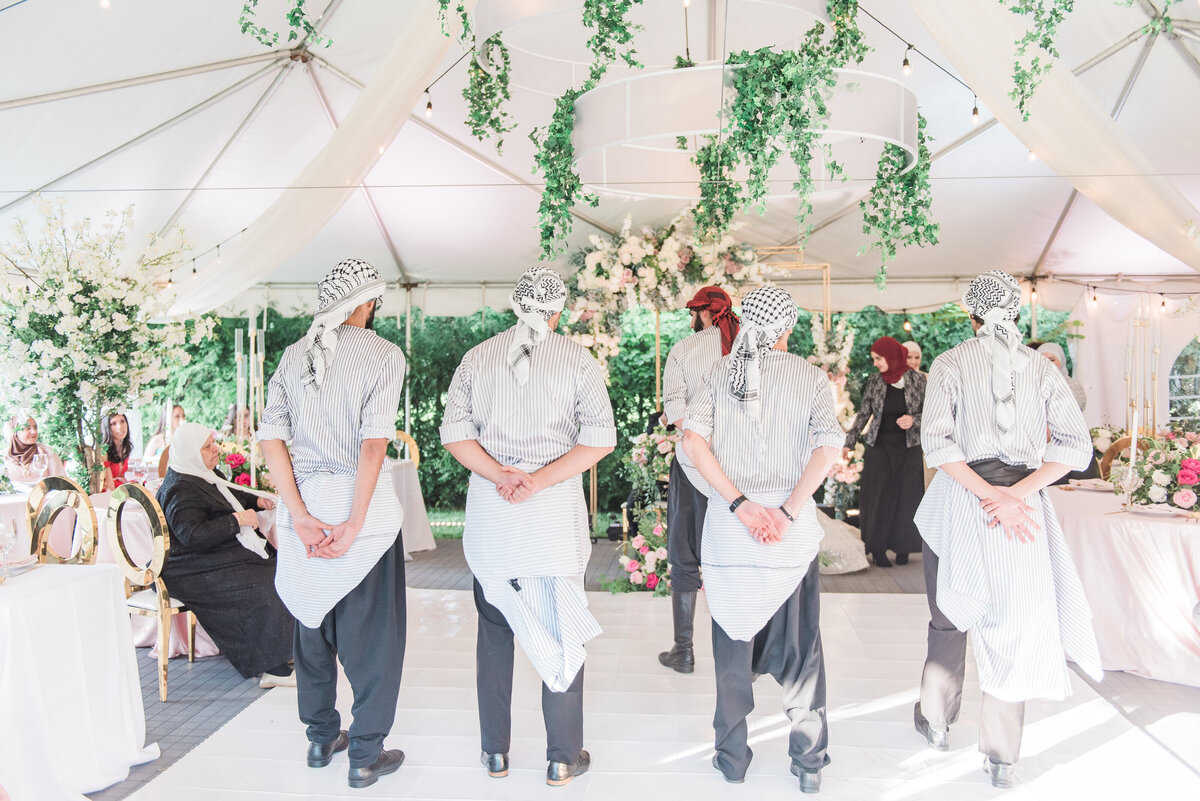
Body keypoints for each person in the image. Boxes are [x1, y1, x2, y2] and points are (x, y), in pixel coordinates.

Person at [913, 270, 1101, 789]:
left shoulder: (950, 363)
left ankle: (935, 721)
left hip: (960, 499)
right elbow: (1074, 450)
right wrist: (1015, 496)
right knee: (1014, 627)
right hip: (1023, 507)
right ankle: (1001, 757)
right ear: (1015, 312)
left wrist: (989, 495)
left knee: (949, 616)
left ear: (970, 315)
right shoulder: (1042, 369)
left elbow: (938, 445)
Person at [441, 267, 615, 787]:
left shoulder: (477, 358)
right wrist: (537, 481)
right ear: (558, 311)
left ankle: (495, 752)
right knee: (560, 627)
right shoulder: (578, 360)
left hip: (495, 513)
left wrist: (502, 474)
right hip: (552, 513)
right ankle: (562, 756)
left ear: (514, 307)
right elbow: (599, 440)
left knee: (495, 630)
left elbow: (454, 436)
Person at [683, 286, 843, 794]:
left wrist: (740, 505)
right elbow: (827, 449)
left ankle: (732, 757)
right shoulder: (812, 377)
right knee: (802, 648)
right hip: (788, 535)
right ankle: (810, 760)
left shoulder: (715, 374)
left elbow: (693, 443)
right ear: (787, 329)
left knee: (731, 644)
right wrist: (788, 511)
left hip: (732, 530)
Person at [258, 259, 409, 790]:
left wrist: (297, 515)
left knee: (310, 622)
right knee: (375, 640)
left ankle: (321, 738)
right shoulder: (385, 355)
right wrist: (355, 523)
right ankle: (366, 752)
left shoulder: (293, 355)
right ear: (366, 304)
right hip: (356, 507)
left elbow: (271, 441)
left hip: (302, 509)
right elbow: (373, 445)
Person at [156, 422, 293, 685]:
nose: (215, 449)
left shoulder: (200, 473)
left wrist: (255, 502)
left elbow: (225, 495)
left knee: (279, 569)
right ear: (191, 452)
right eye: (207, 447)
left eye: (212, 442)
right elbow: (193, 535)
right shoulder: (180, 488)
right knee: (263, 586)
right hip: (188, 567)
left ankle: (284, 651)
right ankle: (271, 667)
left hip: (210, 556)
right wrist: (238, 520)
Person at [657, 285, 740, 674]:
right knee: (739, 558)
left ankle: (684, 651)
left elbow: (673, 409)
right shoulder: (754, 347)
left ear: (701, 312)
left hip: (693, 466)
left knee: (686, 554)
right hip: (743, 472)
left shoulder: (684, 350)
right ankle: (743, 655)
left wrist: (700, 435)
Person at [842, 337, 926, 567]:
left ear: (891, 357)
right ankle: (877, 549)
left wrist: (914, 420)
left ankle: (903, 548)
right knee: (878, 497)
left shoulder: (918, 380)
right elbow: (863, 414)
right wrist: (848, 443)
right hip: (879, 446)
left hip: (909, 448)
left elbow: (932, 413)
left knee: (906, 498)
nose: (876, 364)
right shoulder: (875, 381)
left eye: (878, 359)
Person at [3, 414, 66, 490]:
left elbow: (61, 484)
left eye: (35, 428)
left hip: (43, 499)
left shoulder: (48, 453)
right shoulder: (4, 456)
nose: (34, 432)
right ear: (15, 432)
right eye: (27, 428)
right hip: (11, 500)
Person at [1036, 342, 1087, 411]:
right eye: (1042, 360)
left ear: (1061, 361)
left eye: (1052, 360)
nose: (1047, 364)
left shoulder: (1072, 386)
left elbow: (1074, 411)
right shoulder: (1032, 384)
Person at [101, 411, 133, 490]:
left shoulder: (124, 448)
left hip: (119, 489)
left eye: (122, 421)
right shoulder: (103, 451)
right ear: (107, 427)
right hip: (108, 493)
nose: (120, 427)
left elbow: (121, 477)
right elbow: (108, 486)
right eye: (113, 423)